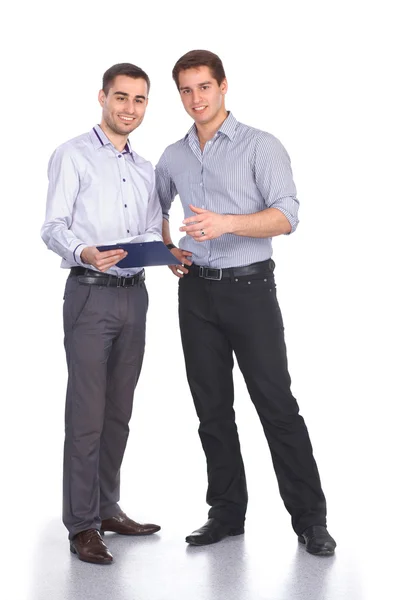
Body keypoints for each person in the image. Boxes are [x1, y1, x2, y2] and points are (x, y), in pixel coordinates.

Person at [155, 50, 336, 556]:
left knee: (276, 405)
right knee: (211, 408)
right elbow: (153, 207)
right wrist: (168, 248)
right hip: (194, 293)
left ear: (223, 87)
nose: (196, 99)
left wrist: (227, 222)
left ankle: (310, 520)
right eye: (186, 90)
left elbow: (288, 216)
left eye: (204, 87)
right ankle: (226, 513)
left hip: (251, 290)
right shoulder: (173, 155)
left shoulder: (261, 146)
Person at [41, 63, 162, 565]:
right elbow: (52, 227)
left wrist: (168, 255)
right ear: (102, 98)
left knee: (119, 412)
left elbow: (152, 229)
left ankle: (107, 506)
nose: (129, 108)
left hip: (135, 296)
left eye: (138, 100)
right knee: (87, 414)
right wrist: (84, 251)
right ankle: (82, 524)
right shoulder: (72, 156)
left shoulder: (146, 168)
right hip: (91, 294)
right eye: (121, 98)